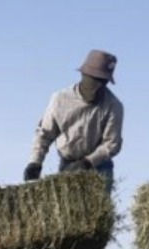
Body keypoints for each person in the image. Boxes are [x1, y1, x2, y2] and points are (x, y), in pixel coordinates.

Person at [24, 49, 124, 191]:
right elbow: (44, 134)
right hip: (67, 165)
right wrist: (35, 162)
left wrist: (88, 162)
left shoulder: (113, 105)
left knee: (97, 212)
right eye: (95, 79)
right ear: (84, 75)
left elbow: (112, 143)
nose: (98, 86)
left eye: (103, 81)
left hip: (99, 167)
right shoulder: (60, 99)